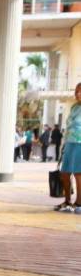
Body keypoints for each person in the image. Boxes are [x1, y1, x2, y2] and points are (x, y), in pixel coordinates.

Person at [54, 83, 81, 213]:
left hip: (80, 143)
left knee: (78, 173)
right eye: (76, 91)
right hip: (70, 142)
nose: (78, 94)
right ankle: (67, 201)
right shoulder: (74, 107)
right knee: (65, 173)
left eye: (80, 91)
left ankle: (79, 203)